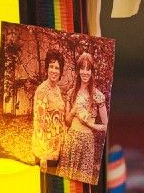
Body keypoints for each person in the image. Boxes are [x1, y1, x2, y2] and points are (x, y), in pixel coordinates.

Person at [57, 49, 108, 183]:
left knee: (81, 183)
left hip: (87, 142)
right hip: (71, 139)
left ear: (92, 72)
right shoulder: (71, 93)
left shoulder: (98, 96)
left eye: (88, 69)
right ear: (78, 70)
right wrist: (74, 111)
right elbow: (67, 122)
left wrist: (90, 125)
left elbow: (106, 126)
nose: (85, 72)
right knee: (65, 181)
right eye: (82, 68)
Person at [30, 50, 67, 167]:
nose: (54, 70)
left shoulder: (57, 90)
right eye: (51, 67)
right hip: (44, 155)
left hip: (55, 151)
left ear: (60, 71)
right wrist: (43, 156)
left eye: (57, 68)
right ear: (46, 69)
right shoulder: (42, 91)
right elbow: (39, 124)